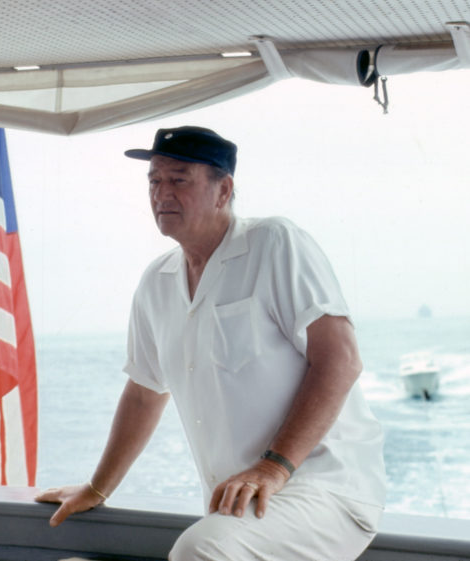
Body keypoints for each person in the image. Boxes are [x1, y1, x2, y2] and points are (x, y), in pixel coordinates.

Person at [35, 126, 386, 561]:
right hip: (241, 507)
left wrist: (273, 467)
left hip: (324, 490)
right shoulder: (156, 282)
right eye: (154, 180)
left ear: (224, 190)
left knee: (201, 549)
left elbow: (341, 360)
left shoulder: (274, 243)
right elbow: (145, 394)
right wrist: (98, 486)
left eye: (179, 179)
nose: (162, 193)